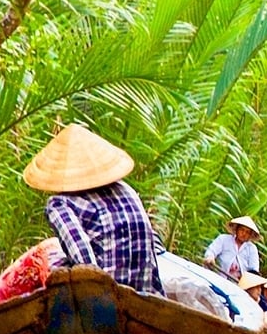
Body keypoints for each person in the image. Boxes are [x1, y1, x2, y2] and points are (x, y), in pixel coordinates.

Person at [24, 124, 163, 296]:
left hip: (106, 301)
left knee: (51, 263)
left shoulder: (60, 204)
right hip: (144, 295)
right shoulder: (127, 190)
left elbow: (86, 267)